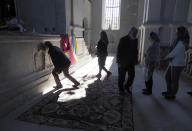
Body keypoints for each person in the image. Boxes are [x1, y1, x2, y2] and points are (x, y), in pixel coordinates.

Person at [163, 26, 189, 100]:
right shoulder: (177, 40)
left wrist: (165, 58)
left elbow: (174, 52)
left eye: (177, 32)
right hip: (173, 62)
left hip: (178, 63)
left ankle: (172, 95)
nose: (176, 33)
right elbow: (172, 49)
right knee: (167, 76)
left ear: (181, 33)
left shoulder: (182, 42)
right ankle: (169, 91)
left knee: (174, 80)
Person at [116, 27, 138, 94]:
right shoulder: (123, 39)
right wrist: (118, 61)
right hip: (123, 62)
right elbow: (119, 50)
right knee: (121, 77)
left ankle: (127, 86)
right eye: (134, 32)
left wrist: (136, 60)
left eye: (136, 33)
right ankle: (121, 89)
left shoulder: (136, 40)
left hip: (131, 62)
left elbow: (135, 51)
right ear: (130, 31)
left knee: (132, 76)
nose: (135, 34)